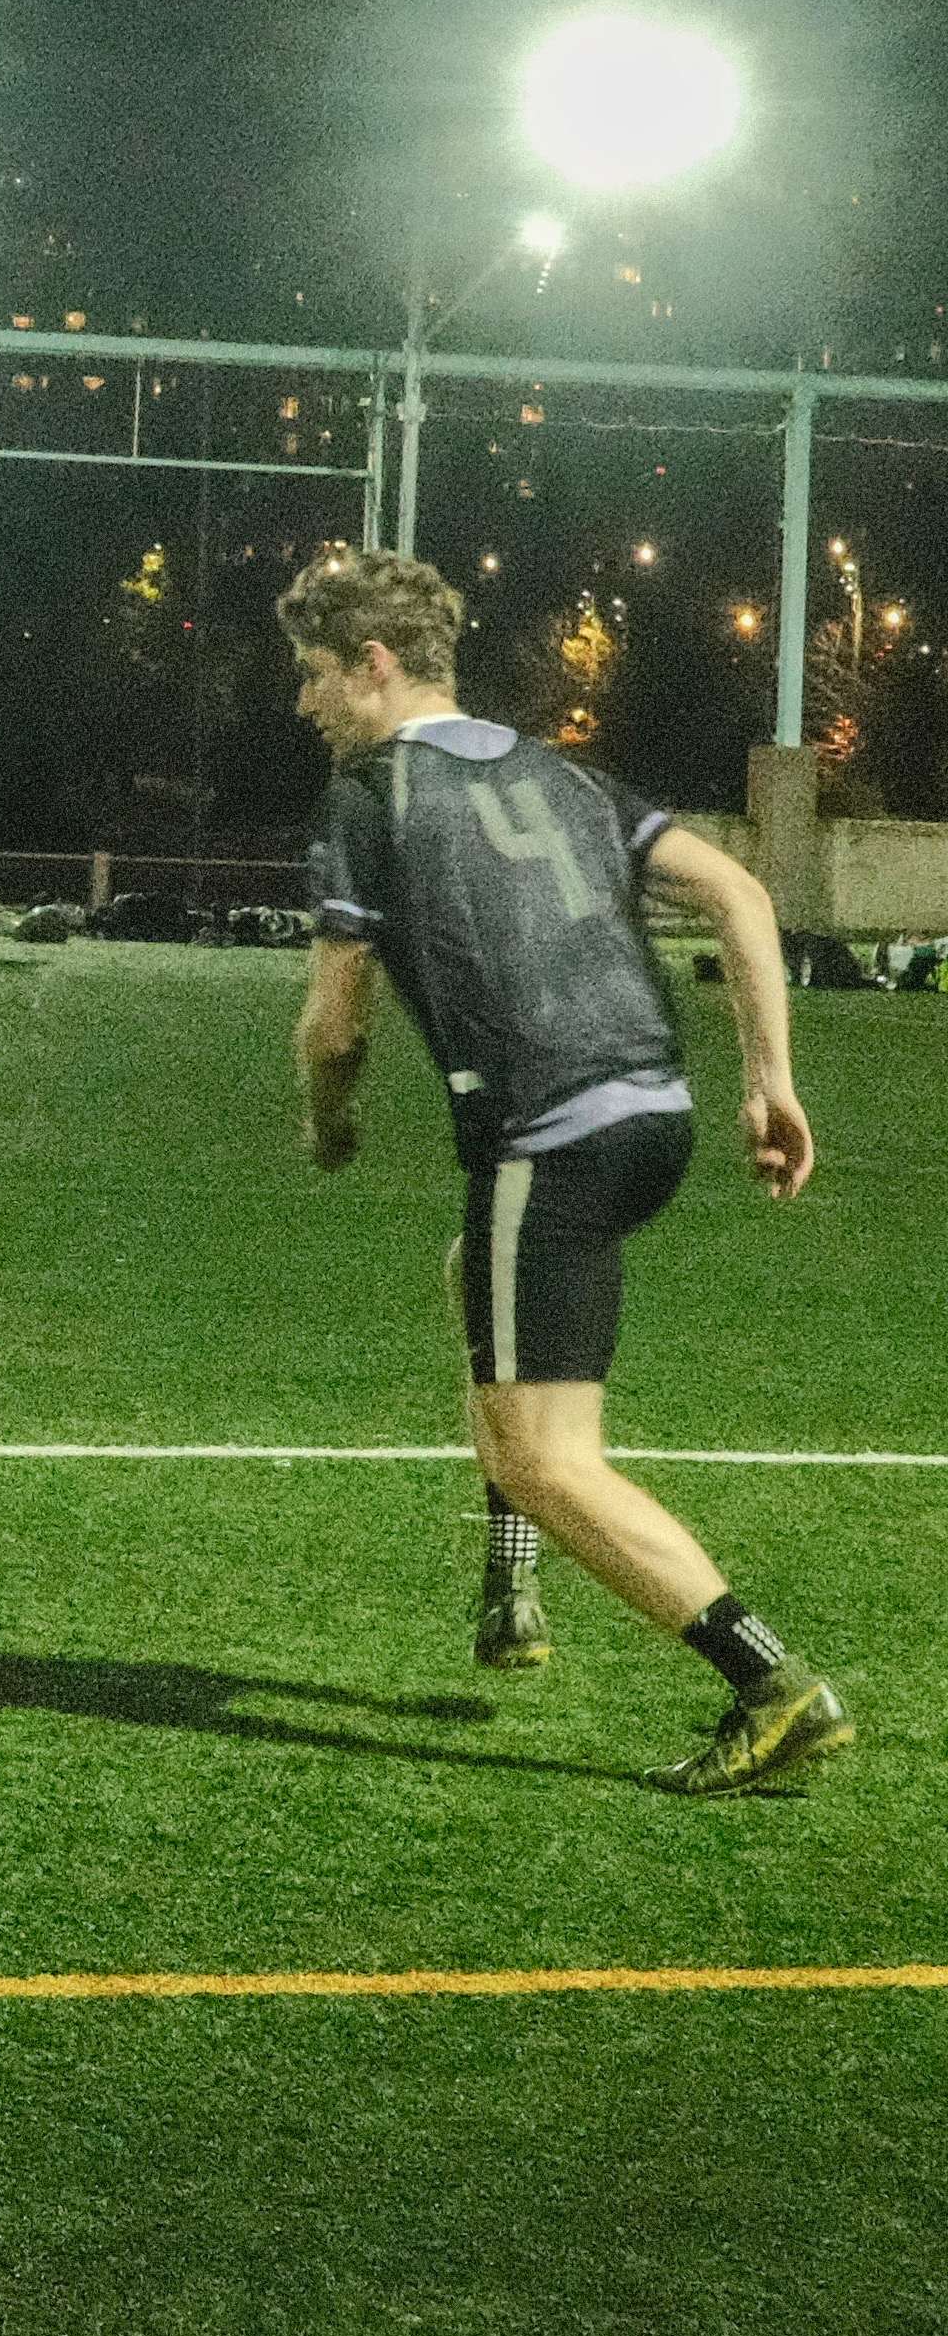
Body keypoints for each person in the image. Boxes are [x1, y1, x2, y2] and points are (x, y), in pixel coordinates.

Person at [280, 546, 849, 1795]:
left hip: (546, 1137)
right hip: (650, 1119)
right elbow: (742, 895)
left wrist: (327, 1123)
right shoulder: (562, 773)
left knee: (547, 1455)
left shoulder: (372, 797)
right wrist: (769, 1081)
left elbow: (337, 1024)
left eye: (315, 675)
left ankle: (772, 1684)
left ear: (374, 668)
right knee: (474, 1277)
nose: (305, 702)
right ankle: (512, 1570)